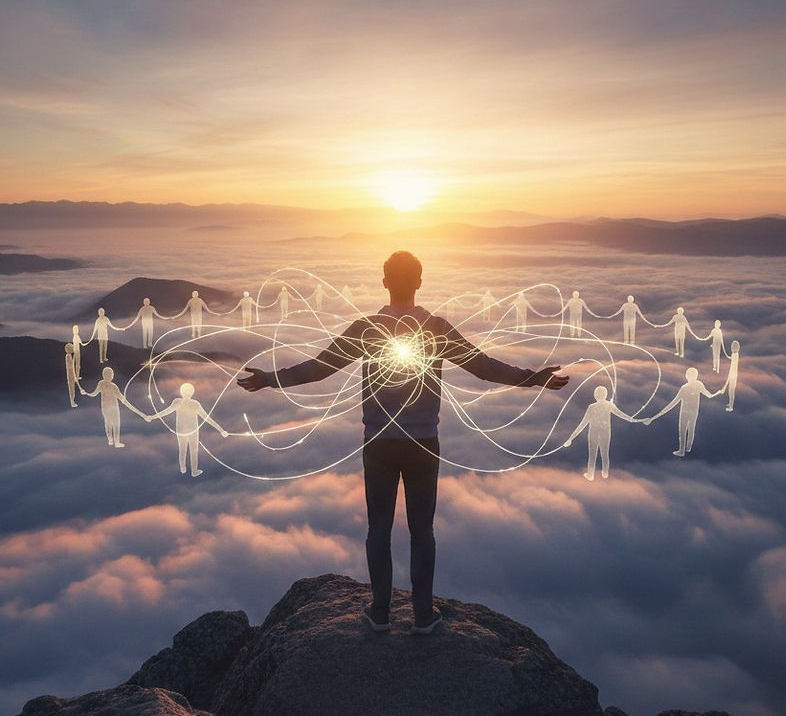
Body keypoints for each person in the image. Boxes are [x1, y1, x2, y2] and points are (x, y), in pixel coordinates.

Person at [238, 251, 568, 634]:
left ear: (384, 282)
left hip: (378, 442)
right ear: (420, 282)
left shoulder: (366, 329)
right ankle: (423, 616)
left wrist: (270, 379)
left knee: (378, 527)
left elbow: (318, 368)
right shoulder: (437, 328)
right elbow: (483, 366)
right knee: (421, 530)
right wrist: (533, 378)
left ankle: (380, 612)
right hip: (424, 442)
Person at [564, 385, 644, 480]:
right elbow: (624, 416)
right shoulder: (609, 405)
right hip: (605, 432)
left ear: (595, 395)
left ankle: (590, 475)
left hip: (593, 432)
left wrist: (571, 438)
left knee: (592, 454)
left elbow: (583, 424)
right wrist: (637, 420)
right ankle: (605, 473)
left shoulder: (592, 407)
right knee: (604, 453)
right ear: (605, 395)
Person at [148, 381, 228, 477]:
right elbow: (207, 419)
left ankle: (183, 468)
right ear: (192, 392)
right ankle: (193, 471)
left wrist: (152, 417)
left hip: (182, 431)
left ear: (181, 392)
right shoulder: (195, 404)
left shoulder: (178, 402)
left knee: (183, 450)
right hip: (192, 431)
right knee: (193, 451)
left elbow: (166, 412)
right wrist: (221, 430)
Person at [645, 366, 719, 456]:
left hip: (685, 412)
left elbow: (672, 404)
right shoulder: (699, 384)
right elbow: (709, 395)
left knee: (683, 431)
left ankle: (681, 451)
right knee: (691, 429)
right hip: (694, 412)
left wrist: (653, 418)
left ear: (686, 376)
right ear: (696, 376)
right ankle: (688, 448)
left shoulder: (684, 388)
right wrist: (718, 392)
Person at [82, 366, 146, 447]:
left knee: (112, 424)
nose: (109, 376)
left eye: (110, 374)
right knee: (111, 423)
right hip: (108, 408)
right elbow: (94, 393)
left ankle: (114, 441)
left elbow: (122, 399)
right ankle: (112, 441)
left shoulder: (112, 386)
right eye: (107, 374)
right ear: (104, 375)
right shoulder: (103, 384)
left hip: (112, 407)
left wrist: (86, 393)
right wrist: (86, 393)